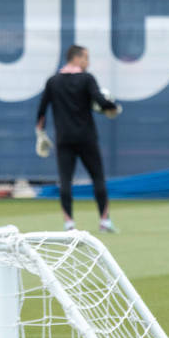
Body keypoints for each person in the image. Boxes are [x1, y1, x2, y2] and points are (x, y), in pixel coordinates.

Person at [35, 45, 121, 232]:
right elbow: (100, 100)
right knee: (97, 177)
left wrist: (40, 133)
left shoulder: (53, 81)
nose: (88, 63)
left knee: (65, 180)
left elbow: (41, 110)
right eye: (86, 58)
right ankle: (104, 221)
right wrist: (113, 107)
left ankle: (69, 224)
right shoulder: (87, 79)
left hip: (64, 138)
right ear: (77, 58)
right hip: (87, 137)